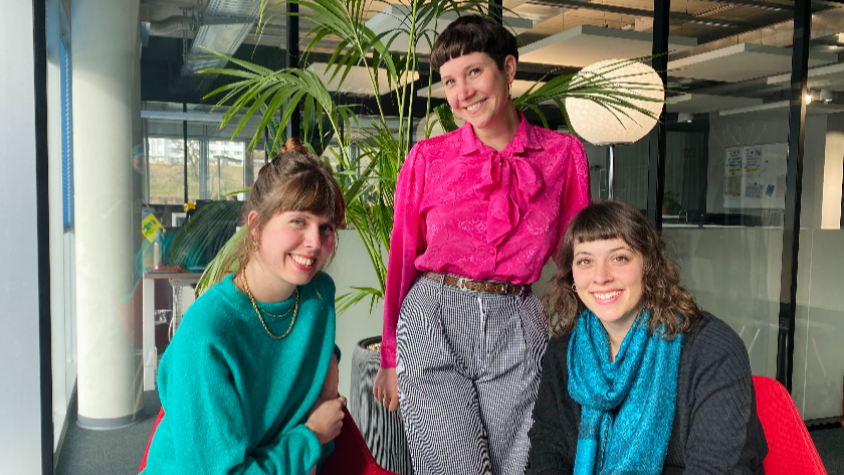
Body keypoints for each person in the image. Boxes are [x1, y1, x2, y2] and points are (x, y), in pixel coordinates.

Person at [371, 14, 591, 475]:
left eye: (474, 72)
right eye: (450, 81)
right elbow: (402, 260)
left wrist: (592, 344)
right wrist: (390, 355)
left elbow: (579, 260)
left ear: (508, 68)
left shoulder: (562, 155)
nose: (462, 93)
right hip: (434, 318)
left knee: (520, 465)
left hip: (518, 322)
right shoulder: (427, 158)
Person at [141, 138, 348, 474]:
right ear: (256, 226)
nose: (315, 242)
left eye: (326, 227)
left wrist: (330, 366)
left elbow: (315, 360)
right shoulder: (206, 333)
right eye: (298, 221)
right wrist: (310, 438)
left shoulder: (318, 294)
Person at [528, 201, 767, 475]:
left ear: (648, 265)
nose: (601, 277)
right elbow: (548, 449)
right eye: (585, 261)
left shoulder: (711, 350)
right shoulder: (565, 352)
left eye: (619, 258)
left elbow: (716, 469)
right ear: (572, 275)